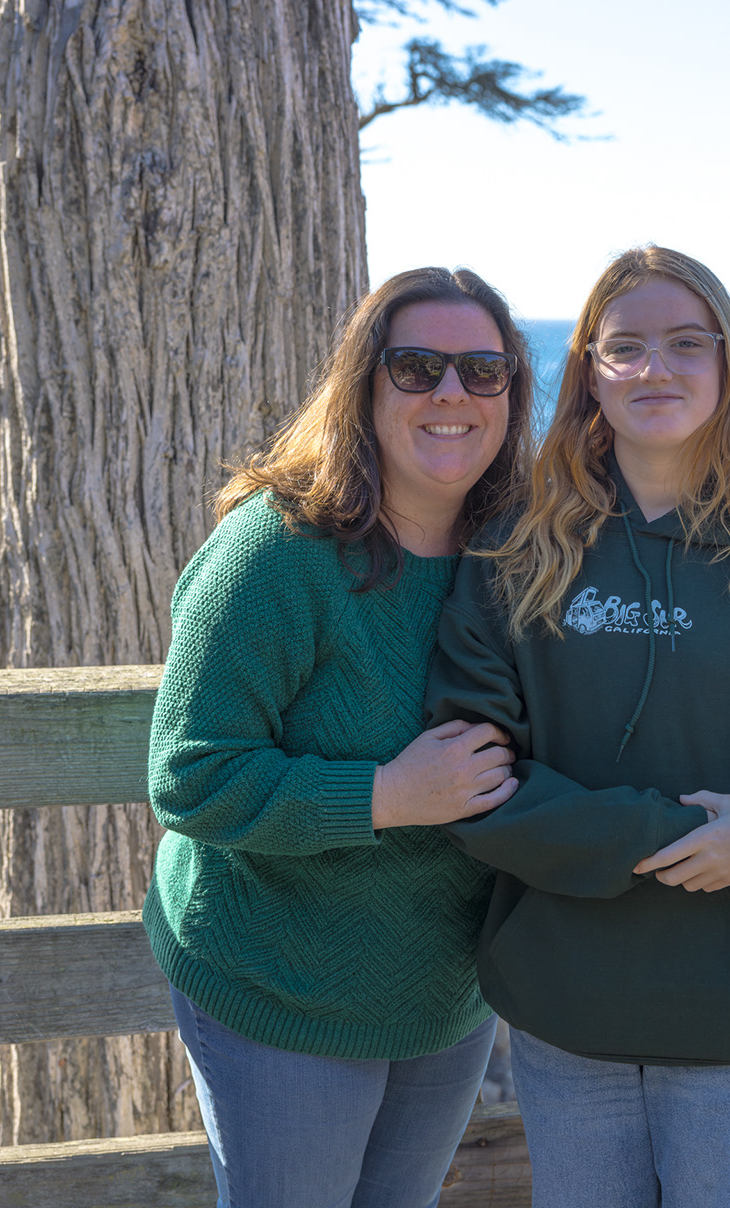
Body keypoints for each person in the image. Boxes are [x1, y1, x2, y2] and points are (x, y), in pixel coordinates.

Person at [423, 246, 730, 1208]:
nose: (655, 368)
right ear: (590, 371)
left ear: (728, 363)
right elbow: (470, 776)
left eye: (686, 344)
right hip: (564, 1011)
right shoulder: (515, 552)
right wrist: (668, 835)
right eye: (625, 347)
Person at [143, 267, 536, 1207]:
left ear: (513, 394)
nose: (452, 393)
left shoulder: (520, 552)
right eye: (417, 367)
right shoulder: (277, 552)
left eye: (484, 370)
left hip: (443, 994)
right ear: (364, 384)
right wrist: (385, 797)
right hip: (278, 988)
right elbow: (191, 776)